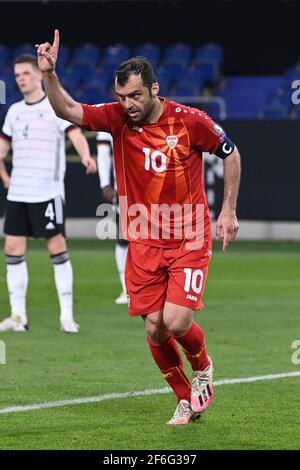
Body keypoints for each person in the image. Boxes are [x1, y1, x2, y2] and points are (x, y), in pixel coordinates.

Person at [36, 30, 241, 424]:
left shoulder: (191, 121)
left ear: (154, 89)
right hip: (143, 238)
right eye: (121, 97)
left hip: (188, 235)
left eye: (135, 96)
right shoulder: (116, 119)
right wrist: (49, 74)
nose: (127, 104)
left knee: (176, 320)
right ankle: (184, 398)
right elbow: (67, 110)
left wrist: (228, 210)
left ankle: (203, 368)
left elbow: (230, 154)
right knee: (154, 329)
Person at [0, 54, 97, 334]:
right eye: (17, 75)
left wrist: (86, 156)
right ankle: (18, 316)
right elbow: (3, 149)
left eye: (26, 74)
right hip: (19, 193)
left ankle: (67, 316)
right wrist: (4, 175)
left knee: (56, 249)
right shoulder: (15, 112)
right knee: (12, 250)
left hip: (46, 192)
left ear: (38, 75)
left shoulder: (54, 108)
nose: (21, 79)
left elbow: (75, 134)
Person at [96, 131, 128, 304]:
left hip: (153, 187)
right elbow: (103, 152)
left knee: (153, 239)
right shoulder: (110, 116)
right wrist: (104, 182)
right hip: (124, 188)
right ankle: (126, 288)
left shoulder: (152, 114)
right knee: (123, 238)